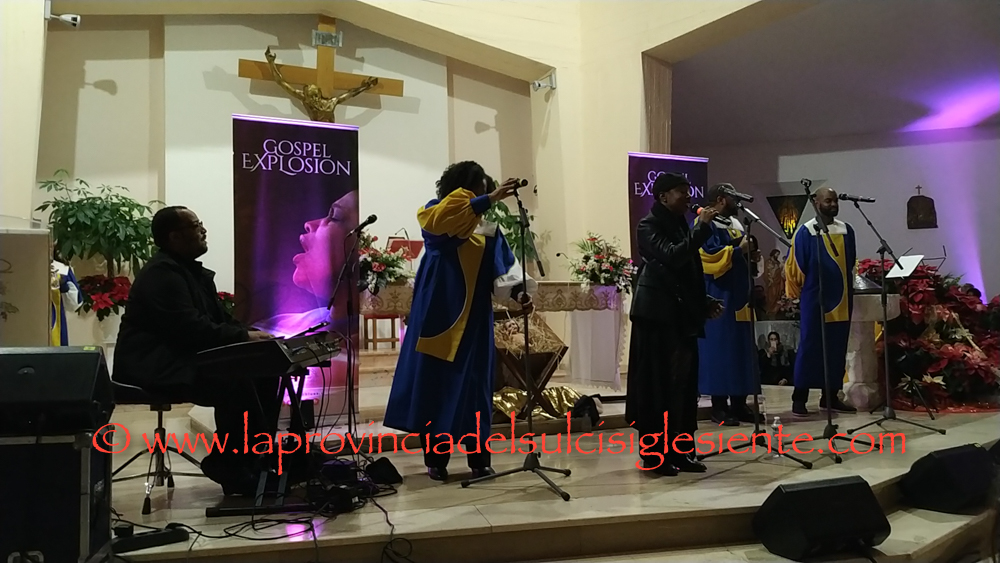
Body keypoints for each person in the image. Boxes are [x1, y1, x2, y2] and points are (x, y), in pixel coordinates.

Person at [383, 162, 535, 481]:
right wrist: (489, 199)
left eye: (484, 189)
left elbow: (504, 272)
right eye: (478, 188)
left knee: (474, 389)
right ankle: (436, 460)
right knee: (435, 387)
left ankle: (478, 459)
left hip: (474, 320)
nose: (482, 193)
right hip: (436, 317)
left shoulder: (488, 230)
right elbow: (446, 219)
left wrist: (519, 293)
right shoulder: (436, 215)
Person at [113, 206, 280, 495]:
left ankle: (255, 462)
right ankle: (229, 465)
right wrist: (243, 336)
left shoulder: (189, 272)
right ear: (175, 237)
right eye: (196, 225)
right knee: (235, 382)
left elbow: (219, 320)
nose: (203, 230)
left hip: (180, 356)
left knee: (265, 372)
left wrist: (256, 335)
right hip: (154, 365)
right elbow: (189, 328)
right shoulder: (162, 274)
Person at [626, 172, 724, 476]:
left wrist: (704, 301)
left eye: (688, 190)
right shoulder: (648, 226)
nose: (688, 197)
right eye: (681, 192)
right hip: (657, 319)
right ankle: (655, 456)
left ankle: (681, 452)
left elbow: (685, 274)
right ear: (663, 196)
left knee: (683, 388)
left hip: (680, 318)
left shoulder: (681, 224)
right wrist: (700, 229)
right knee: (658, 387)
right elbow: (672, 257)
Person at [784, 187, 857, 417]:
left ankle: (830, 396)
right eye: (828, 201)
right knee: (810, 346)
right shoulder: (806, 232)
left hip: (842, 297)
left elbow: (851, 261)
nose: (833, 204)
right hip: (815, 298)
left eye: (835, 201)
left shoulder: (846, 230)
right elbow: (797, 265)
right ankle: (800, 397)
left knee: (837, 348)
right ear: (816, 203)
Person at [696, 184, 763, 426]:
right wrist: (738, 250)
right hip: (719, 294)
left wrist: (751, 257)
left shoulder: (736, 224)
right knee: (720, 350)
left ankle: (739, 403)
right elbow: (707, 258)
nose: (737, 202)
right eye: (733, 197)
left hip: (740, 296)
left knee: (741, 350)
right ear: (721, 199)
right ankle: (719, 406)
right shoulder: (705, 223)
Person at [49, 249, 82, 346]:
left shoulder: (62, 269)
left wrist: (64, 286)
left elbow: (74, 305)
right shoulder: (23, 268)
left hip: (55, 324)